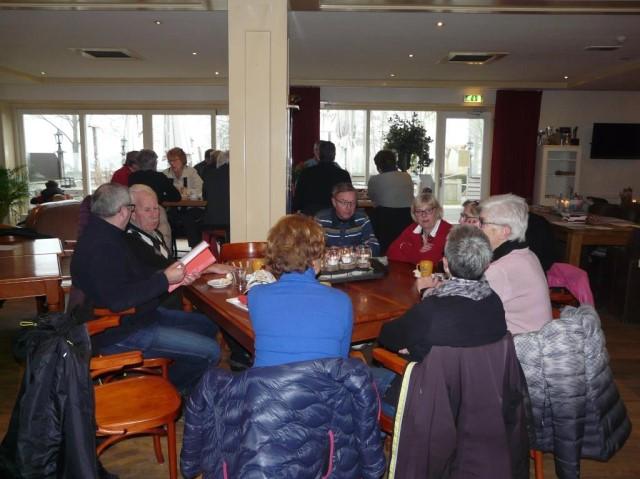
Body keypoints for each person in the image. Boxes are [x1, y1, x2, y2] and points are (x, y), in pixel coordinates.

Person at [70, 183, 220, 394]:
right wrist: (165, 280)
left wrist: (173, 277)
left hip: (137, 316)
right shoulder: (102, 247)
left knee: (208, 325)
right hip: (119, 330)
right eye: (132, 208)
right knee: (211, 351)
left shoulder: (103, 233)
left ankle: (175, 376)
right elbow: (118, 300)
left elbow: (135, 274)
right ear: (123, 211)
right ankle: (169, 391)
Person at [376, 225, 508, 415]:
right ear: (487, 264)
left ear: (445, 264)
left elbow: (387, 337)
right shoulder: (494, 302)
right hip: (479, 401)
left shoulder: (432, 310)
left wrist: (413, 346)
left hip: (427, 402)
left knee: (359, 375)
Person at [248, 214, 353, 367]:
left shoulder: (256, 295)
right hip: (321, 389)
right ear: (315, 261)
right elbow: (342, 359)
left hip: (267, 388)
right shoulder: (342, 301)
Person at [125, 184, 232, 309]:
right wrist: (207, 268)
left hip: (172, 301)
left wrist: (207, 268)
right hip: (156, 310)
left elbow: (170, 267)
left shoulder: (154, 234)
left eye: (156, 208)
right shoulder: (131, 241)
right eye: (147, 210)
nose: (155, 215)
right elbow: (164, 273)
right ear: (132, 213)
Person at [479, 193, 552, 334]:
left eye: (483, 223)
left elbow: (467, 308)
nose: (479, 228)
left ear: (504, 231)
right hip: (538, 341)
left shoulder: (502, 269)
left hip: (521, 348)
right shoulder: (527, 254)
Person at [128, 148, 178, 250]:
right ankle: (166, 258)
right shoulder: (159, 177)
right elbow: (176, 196)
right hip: (157, 211)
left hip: (135, 214)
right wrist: (162, 197)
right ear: (154, 163)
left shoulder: (132, 177)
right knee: (163, 235)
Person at [366, 149, 414, 254]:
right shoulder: (407, 176)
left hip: (384, 220)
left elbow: (373, 200)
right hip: (408, 218)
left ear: (379, 166)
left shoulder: (374, 180)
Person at [386, 192, 452, 266]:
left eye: (429, 210)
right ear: (414, 214)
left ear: (437, 211)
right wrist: (417, 252)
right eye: (419, 211)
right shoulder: (413, 228)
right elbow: (391, 253)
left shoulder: (448, 231)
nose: (424, 215)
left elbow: (430, 261)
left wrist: (404, 247)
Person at [314, 182, 380, 256]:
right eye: (344, 202)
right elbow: (311, 247)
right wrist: (329, 251)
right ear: (334, 202)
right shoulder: (321, 219)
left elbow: (375, 245)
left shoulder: (362, 218)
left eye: (353, 202)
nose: (349, 207)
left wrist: (353, 252)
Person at [292, 140, 352, 216]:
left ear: (318, 154)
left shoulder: (306, 173)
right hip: (335, 221)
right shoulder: (343, 175)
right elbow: (350, 200)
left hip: (311, 220)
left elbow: (297, 203)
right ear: (334, 155)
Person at [163, 147, 205, 248]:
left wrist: (187, 192)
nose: (172, 163)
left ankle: (194, 250)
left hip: (192, 207)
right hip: (173, 208)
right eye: (170, 161)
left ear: (182, 160)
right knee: (165, 217)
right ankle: (166, 251)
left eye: (175, 160)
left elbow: (201, 190)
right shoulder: (165, 174)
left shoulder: (191, 172)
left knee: (188, 218)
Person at [201, 150, 230, 242]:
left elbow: (205, 197)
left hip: (212, 221)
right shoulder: (237, 176)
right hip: (231, 220)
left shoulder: (209, 175)